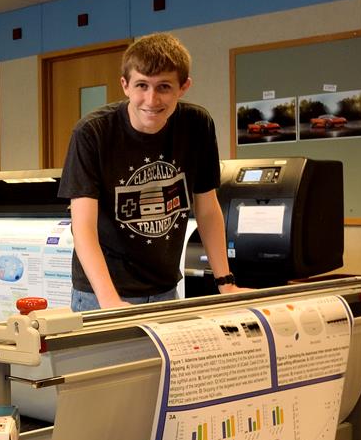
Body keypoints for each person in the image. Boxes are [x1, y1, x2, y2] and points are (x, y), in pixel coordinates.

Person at [58, 33, 239, 311]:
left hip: (164, 288)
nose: (151, 99)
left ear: (183, 87)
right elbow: (82, 226)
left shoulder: (197, 125)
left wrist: (225, 283)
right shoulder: (92, 133)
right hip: (100, 293)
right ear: (125, 85)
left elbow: (207, 208)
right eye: (142, 85)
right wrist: (110, 301)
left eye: (164, 87)